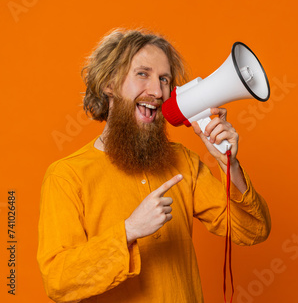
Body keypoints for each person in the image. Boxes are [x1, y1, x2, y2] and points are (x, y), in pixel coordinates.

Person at [37, 28, 271, 302]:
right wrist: (129, 231)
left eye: (164, 79)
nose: (158, 91)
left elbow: (253, 230)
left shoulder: (183, 162)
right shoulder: (67, 176)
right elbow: (58, 282)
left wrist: (229, 164)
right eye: (142, 74)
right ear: (109, 84)